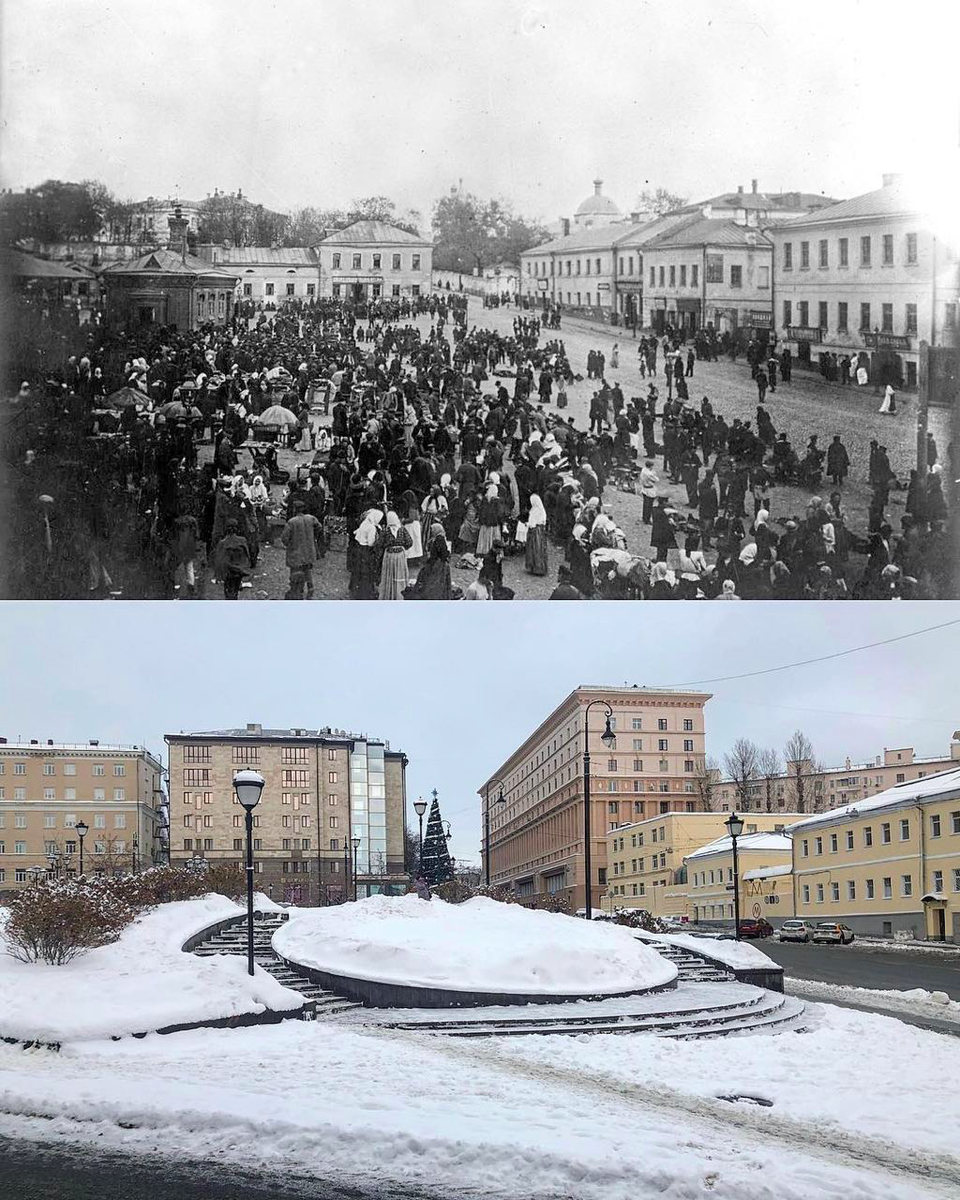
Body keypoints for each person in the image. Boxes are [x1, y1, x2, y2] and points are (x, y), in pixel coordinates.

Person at [280, 501, 322, 599]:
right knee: (307, 569)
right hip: (309, 550)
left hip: (296, 551)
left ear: (294, 509)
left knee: (295, 571)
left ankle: (296, 590)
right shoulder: (311, 518)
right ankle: (310, 587)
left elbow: (284, 538)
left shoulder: (292, 522)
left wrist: (289, 545)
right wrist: (312, 536)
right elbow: (319, 527)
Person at [377, 510, 413, 599]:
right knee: (399, 574)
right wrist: (402, 547)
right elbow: (409, 542)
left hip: (390, 555)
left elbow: (379, 544)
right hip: (400, 555)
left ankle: (390, 593)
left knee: (390, 574)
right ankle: (400, 594)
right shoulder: (402, 529)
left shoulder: (385, 531)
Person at [212, 519, 251, 600]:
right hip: (239, 571)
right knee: (235, 590)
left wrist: (218, 575)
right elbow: (247, 555)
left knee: (228, 592)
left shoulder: (222, 543)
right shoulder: (242, 540)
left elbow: (219, 560)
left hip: (228, 571)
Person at [524, 493, 549, 576]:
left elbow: (532, 524)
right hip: (541, 531)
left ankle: (534, 567)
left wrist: (527, 524)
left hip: (534, 532)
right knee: (540, 549)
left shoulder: (534, 511)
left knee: (534, 548)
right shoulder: (541, 510)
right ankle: (541, 567)